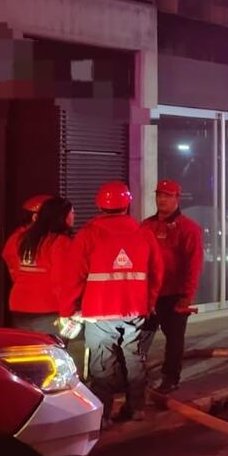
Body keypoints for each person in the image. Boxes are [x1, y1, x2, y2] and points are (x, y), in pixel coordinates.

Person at [60, 181, 163, 425]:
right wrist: (149, 302)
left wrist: (67, 310)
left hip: (99, 312)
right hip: (134, 310)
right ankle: (137, 408)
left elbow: (73, 276)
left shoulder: (88, 235)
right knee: (134, 357)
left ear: (99, 206)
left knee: (102, 363)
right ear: (127, 205)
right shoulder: (144, 233)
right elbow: (157, 273)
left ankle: (103, 415)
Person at [141, 180, 203, 394]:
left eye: (167, 195)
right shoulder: (146, 226)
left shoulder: (189, 229)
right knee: (141, 337)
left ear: (177, 198)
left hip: (174, 294)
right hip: (149, 293)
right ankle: (135, 376)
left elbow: (194, 265)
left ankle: (170, 378)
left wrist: (187, 296)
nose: (161, 199)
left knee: (174, 340)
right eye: (159, 195)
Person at [2, 197, 75, 332]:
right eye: (72, 213)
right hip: (48, 308)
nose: (74, 216)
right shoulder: (60, 242)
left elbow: (13, 266)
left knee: (25, 345)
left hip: (19, 304)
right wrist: (67, 311)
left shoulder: (21, 237)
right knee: (50, 345)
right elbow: (61, 280)